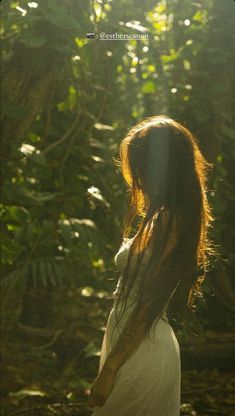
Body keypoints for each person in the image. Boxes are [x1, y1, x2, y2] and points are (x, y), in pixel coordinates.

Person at [89, 115, 215, 416]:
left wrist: (110, 370)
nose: (136, 177)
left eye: (140, 165)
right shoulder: (162, 217)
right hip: (132, 345)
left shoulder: (169, 220)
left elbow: (148, 304)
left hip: (142, 350)